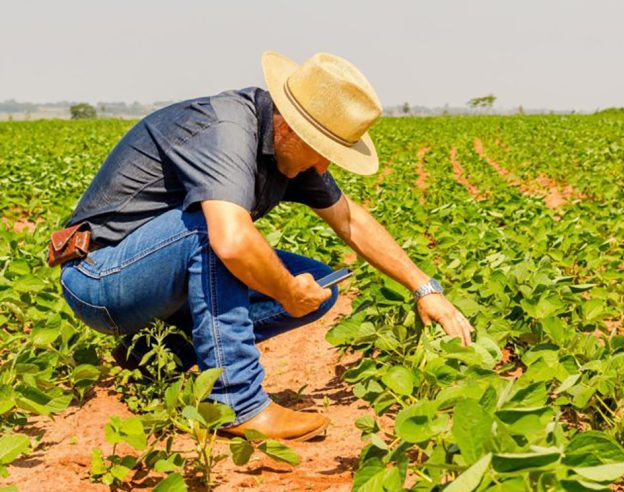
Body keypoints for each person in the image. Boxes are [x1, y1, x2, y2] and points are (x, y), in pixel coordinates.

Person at [57, 51, 474, 441]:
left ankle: (154, 349)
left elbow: (350, 219)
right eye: (325, 151)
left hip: (152, 284)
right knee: (217, 231)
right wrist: (284, 292)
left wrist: (425, 288)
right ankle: (238, 403)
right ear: (291, 127)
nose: (325, 166)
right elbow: (232, 242)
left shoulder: (290, 150)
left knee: (318, 286)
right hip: (99, 279)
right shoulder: (226, 130)